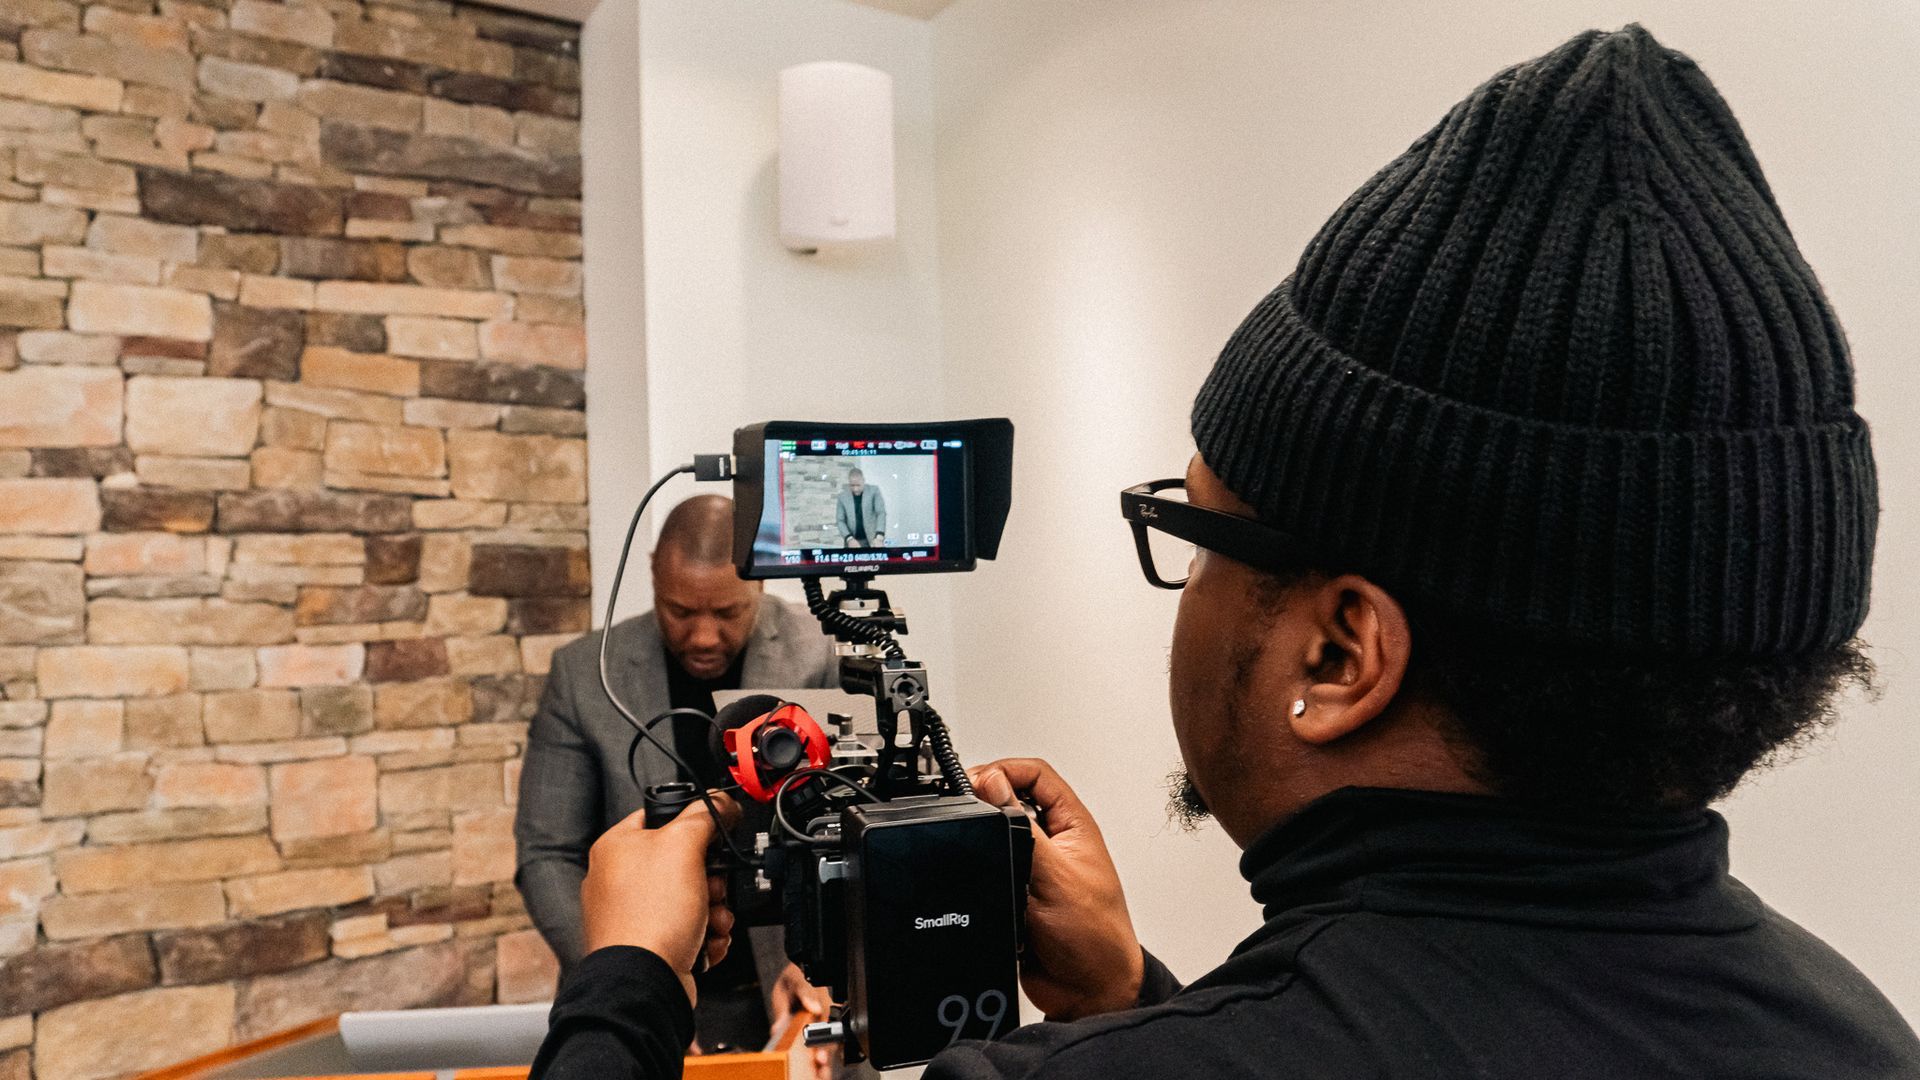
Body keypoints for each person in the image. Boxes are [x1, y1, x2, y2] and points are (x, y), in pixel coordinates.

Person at [529, 27, 1920, 1079]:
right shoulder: (1858, 1029)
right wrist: (1140, 998)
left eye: (1195, 540)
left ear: (1339, 650)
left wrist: (627, 984)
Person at [514, 495, 838, 1057]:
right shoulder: (585, 673)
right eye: (681, 612)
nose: (705, 636)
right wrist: (629, 981)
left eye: (728, 613)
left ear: (759, 584)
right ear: (652, 575)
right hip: (638, 988)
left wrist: (823, 958)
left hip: (791, 985)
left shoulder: (819, 651)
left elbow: (848, 826)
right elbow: (548, 853)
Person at [834, 469, 886, 548]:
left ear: (863, 481)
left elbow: (881, 513)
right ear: (849, 483)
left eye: (858, 485)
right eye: (852, 485)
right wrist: (849, 538)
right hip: (851, 542)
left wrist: (879, 536)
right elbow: (840, 520)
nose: (855, 489)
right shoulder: (842, 497)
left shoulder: (874, 491)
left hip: (873, 540)